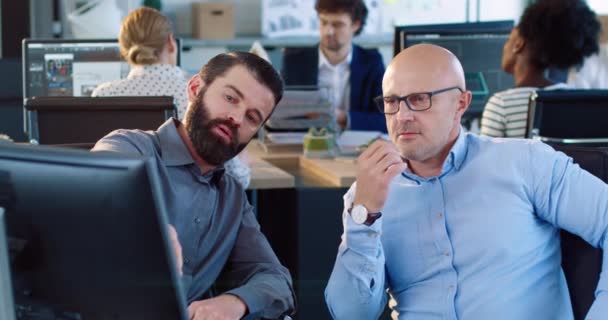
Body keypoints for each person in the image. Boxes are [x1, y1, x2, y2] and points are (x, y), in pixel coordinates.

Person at [324, 43, 608, 319]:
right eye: (391, 102)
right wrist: (364, 218)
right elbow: (350, 314)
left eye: (419, 99)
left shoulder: (525, 163)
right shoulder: (367, 195)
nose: (402, 116)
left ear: (460, 103)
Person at [92, 52, 295, 319]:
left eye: (252, 117)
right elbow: (93, 196)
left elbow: (276, 280)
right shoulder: (130, 148)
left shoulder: (231, 196)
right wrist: (146, 235)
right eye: (230, 98)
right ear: (195, 88)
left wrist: (235, 302)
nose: (236, 117)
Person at [92, 6, 252, 189]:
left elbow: (96, 169)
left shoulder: (103, 94)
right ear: (170, 42)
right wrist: (244, 163)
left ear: (125, 48)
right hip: (188, 210)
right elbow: (237, 180)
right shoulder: (200, 94)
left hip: (121, 204)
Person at [480, 0, 600, 138]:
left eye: (509, 39)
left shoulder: (501, 104)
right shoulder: (575, 100)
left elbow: (487, 159)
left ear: (518, 43)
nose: (505, 46)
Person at [280, 0, 385, 132]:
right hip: (307, 146)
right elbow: (282, 117)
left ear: (355, 25)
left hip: (358, 147)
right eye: (324, 22)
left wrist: (342, 117)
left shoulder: (371, 62)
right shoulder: (295, 61)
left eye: (337, 25)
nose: (328, 31)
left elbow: (384, 120)